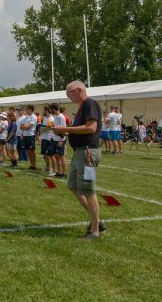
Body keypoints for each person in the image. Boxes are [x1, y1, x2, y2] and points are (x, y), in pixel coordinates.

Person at [54, 80, 105, 240]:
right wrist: (65, 133)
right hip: (79, 153)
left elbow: (91, 128)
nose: (67, 96)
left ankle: (95, 231)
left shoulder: (90, 103)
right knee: (72, 185)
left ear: (77, 90)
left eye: (68, 92)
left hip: (87, 153)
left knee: (88, 191)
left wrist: (65, 129)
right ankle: (97, 221)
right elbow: (82, 130)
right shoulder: (82, 107)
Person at [20, 105, 37, 170]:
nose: (26, 111)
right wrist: (25, 127)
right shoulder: (26, 117)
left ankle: (34, 165)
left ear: (30, 109)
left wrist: (25, 127)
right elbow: (21, 127)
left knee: (31, 151)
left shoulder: (34, 117)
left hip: (30, 135)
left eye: (27, 109)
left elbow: (28, 126)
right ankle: (31, 165)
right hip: (25, 135)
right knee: (28, 151)